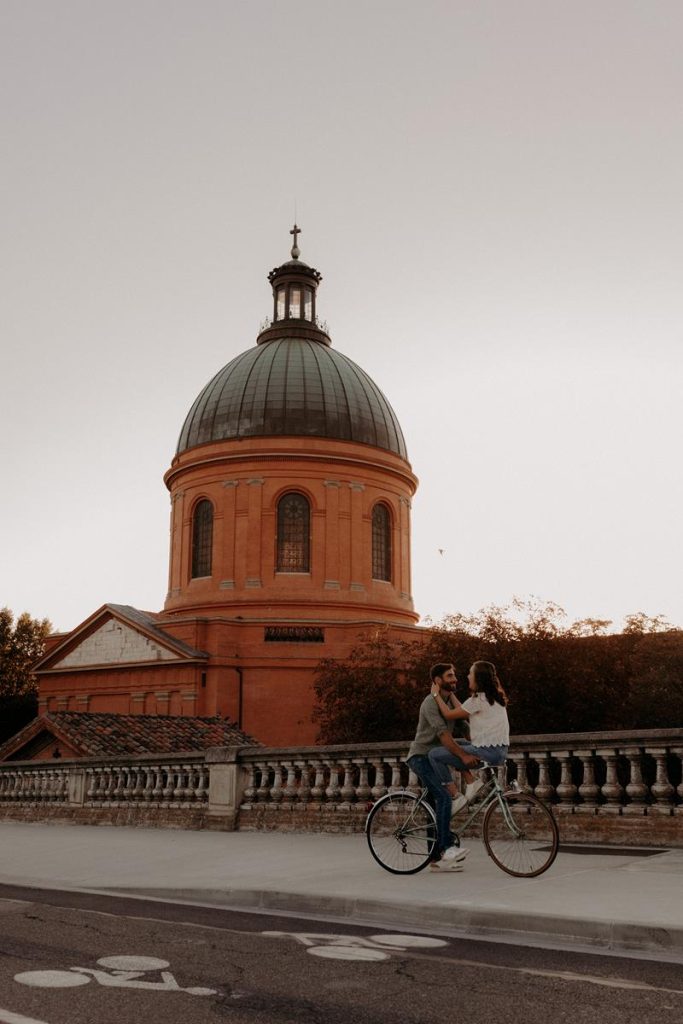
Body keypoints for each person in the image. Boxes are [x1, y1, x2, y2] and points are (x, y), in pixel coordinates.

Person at [406, 663, 481, 871]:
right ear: (437, 681)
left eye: (455, 675)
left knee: (435, 804)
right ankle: (446, 849)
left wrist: (481, 745)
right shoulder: (430, 703)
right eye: (449, 676)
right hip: (421, 757)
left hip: (436, 757)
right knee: (443, 797)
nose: (454, 679)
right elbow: (444, 736)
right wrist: (463, 757)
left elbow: (464, 728)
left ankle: (437, 859)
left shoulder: (446, 702)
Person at [428, 660, 510, 814]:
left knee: (434, 755)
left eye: (470, 673)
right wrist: (451, 694)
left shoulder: (478, 700)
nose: (467, 676)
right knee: (454, 744)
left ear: (478, 678)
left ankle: (456, 796)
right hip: (499, 751)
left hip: (486, 753)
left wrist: (435, 694)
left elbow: (449, 714)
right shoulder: (493, 697)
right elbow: (462, 709)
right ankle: (470, 781)